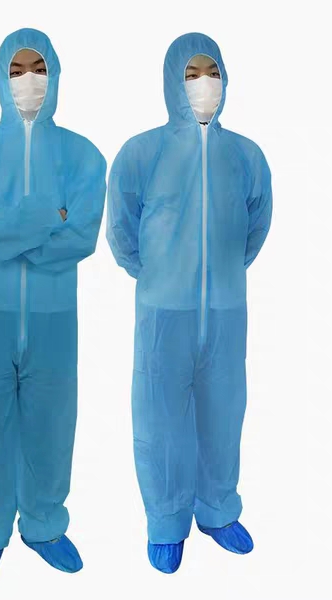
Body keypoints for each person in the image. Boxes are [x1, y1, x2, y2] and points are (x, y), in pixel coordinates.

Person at [107, 32, 272, 574]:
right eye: (191, 74)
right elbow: (121, 230)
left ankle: (218, 510)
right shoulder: (141, 153)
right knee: (160, 423)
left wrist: (223, 272)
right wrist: (157, 274)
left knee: (223, 416)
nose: (204, 85)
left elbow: (256, 225)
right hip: (163, 313)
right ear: (171, 82)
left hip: (225, 311)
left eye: (212, 73)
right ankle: (166, 521)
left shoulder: (246, 155)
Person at [0, 28, 106, 587]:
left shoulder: (84, 156)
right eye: (16, 71)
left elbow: (81, 237)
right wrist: (48, 217)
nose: (28, 80)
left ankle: (44, 526)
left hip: (53, 319)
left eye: (37, 68)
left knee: (52, 427)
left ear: (55, 75)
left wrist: (5, 218)